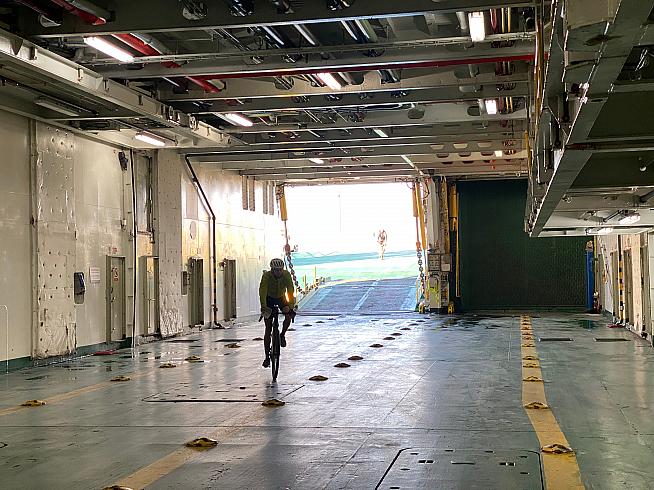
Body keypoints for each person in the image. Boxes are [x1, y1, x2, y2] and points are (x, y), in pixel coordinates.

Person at [259, 258, 295, 368]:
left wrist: (290, 306)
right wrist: (264, 306)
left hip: (281, 297)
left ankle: (282, 335)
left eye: (280, 270)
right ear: (272, 270)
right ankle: (266, 357)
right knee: (268, 328)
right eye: (276, 270)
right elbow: (262, 292)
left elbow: (290, 290)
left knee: (288, 317)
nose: (279, 272)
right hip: (269, 299)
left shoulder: (286, 275)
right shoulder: (266, 276)